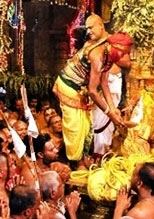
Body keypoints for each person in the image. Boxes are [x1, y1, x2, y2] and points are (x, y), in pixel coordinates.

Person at [53, 14, 133, 161]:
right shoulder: (99, 56)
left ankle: (82, 161)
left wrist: (112, 108)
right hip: (69, 87)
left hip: (80, 89)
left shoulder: (107, 52)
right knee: (77, 130)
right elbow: (93, 91)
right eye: (122, 53)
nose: (123, 57)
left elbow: (104, 83)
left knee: (86, 127)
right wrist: (111, 113)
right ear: (115, 49)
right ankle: (73, 164)